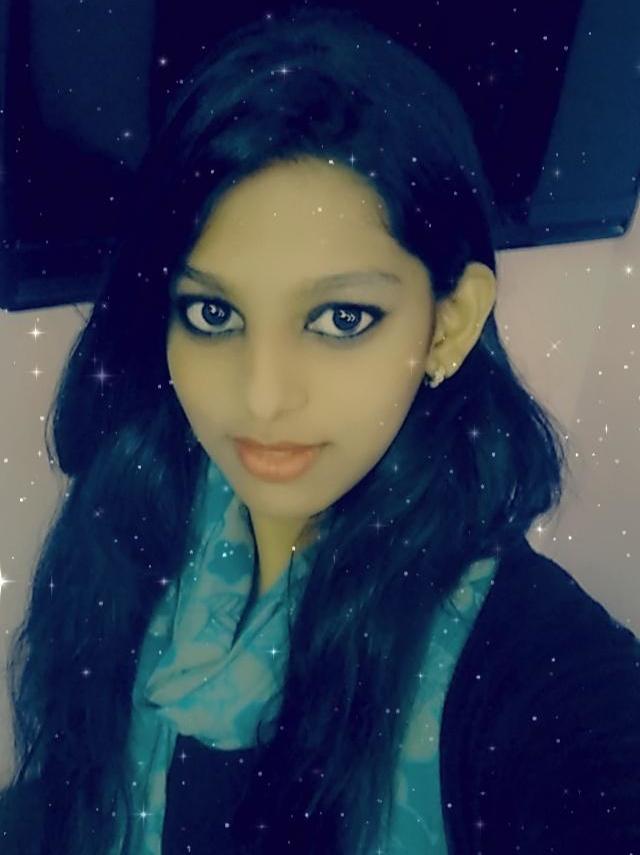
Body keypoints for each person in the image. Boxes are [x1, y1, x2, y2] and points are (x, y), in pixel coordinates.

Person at [2, 5, 639, 854]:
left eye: (342, 318)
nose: (263, 398)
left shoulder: (527, 669)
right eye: (213, 312)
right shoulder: (135, 514)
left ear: (447, 326)